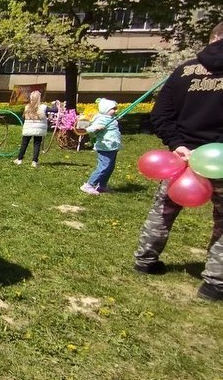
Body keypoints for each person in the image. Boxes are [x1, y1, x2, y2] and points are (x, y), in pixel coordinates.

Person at [133, 22, 223, 301]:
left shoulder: (183, 71)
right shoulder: (182, 70)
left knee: (163, 210)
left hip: (181, 160)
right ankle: (214, 283)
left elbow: (160, 115)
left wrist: (179, 145)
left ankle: (145, 260)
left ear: (213, 38)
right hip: (219, 160)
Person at [80, 98, 121, 195]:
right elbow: (89, 129)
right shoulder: (101, 119)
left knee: (110, 167)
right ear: (106, 110)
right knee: (104, 166)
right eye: (113, 109)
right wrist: (96, 127)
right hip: (105, 146)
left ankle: (102, 185)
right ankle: (89, 185)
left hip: (112, 146)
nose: (115, 111)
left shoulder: (111, 118)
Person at [13, 90, 48, 167]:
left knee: (24, 144)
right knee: (37, 144)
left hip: (28, 128)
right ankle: (34, 161)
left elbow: (23, 118)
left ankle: (19, 159)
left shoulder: (27, 107)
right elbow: (55, 110)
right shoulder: (43, 107)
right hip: (39, 129)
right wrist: (56, 105)